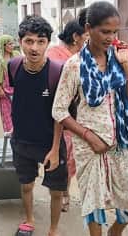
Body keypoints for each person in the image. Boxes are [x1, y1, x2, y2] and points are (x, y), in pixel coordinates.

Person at [52, 2, 128, 235]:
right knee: (94, 204)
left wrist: (126, 64)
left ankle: (115, 232)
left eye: (115, 32)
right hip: (90, 147)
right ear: (88, 28)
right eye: (105, 31)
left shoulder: (118, 57)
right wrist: (89, 136)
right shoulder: (74, 66)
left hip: (123, 142)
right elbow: (59, 110)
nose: (110, 37)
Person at [9, 16, 67, 236]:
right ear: (20, 41)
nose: (34, 47)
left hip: (50, 142)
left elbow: (60, 114)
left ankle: (53, 229)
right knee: (26, 185)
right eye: (29, 41)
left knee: (56, 191)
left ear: (48, 43)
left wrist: (54, 149)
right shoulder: (13, 66)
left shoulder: (57, 72)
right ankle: (30, 219)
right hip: (22, 141)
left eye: (41, 41)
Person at [46, 19, 88, 212]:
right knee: (63, 155)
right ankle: (62, 193)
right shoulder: (61, 58)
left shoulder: (74, 56)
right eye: (86, 37)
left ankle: (64, 192)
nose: (88, 41)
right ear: (75, 37)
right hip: (60, 114)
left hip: (71, 115)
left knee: (68, 157)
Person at [0, 34, 20, 135]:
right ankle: (10, 135)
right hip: (4, 91)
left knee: (19, 113)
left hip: (18, 90)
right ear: (3, 45)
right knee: (7, 114)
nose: (12, 46)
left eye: (13, 43)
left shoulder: (17, 55)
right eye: (10, 44)